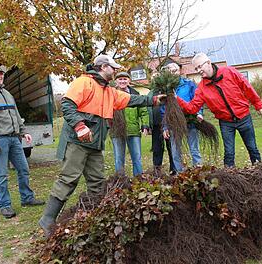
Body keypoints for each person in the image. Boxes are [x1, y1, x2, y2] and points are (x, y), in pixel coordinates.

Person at [39, 55, 166, 236]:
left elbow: (131, 100)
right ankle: (47, 219)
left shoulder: (109, 91)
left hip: (95, 143)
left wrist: (153, 100)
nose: (115, 71)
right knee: (69, 179)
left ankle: (92, 217)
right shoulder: (84, 82)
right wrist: (79, 126)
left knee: (97, 182)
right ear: (103, 67)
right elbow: (67, 105)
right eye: (112, 68)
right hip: (77, 141)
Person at [0, 65, 45, 219]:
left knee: (23, 169)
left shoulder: (7, 93)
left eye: (0, 74)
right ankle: (5, 205)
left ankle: (27, 198)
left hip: (15, 138)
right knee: (2, 174)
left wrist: (24, 131)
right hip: (0, 139)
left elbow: (16, 114)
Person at [176, 53, 262, 167]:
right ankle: (229, 177)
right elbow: (192, 108)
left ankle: (259, 171)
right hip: (226, 123)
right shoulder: (202, 88)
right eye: (196, 68)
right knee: (229, 153)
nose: (198, 70)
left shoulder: (229, 72)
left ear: (208, 62)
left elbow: (246, 87)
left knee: (252, 148)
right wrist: (176, 99)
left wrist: (258, 104)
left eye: (199, 67)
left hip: (244, 118)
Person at [161, 63, 203, 173]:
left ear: (179, 71)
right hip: (174, 124)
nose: (173, 73)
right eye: (170, 71)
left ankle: (198, 172)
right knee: (175, 151)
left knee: (194, 149)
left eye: (175, 70)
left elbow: (198, 100)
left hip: (190, 121)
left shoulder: (189, 84)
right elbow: (163, 109)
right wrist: (165, 127)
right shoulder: (165, 89)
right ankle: (180, 174)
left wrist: (199, 113)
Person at [110, 72, 149, 176]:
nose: (122, 81)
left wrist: (145, 125)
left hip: (133, 131)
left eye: (125, 79)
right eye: (120, 79)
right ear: (116, 81)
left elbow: (143, 111)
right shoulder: (111, 95)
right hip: (117, 131)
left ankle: (138, 179)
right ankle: (121, 180)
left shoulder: (135, 94)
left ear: (129, 81)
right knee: (119, 158)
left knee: (137, 157)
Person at [147, 88, 176, 176]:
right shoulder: (151, 93)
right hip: (156, 125)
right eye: (154, 75)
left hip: (169, 124)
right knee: (157, 148)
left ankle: (174, 169)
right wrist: (148, 124)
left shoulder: (167, 91)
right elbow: (147, 109)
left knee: (171, 147)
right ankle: (157, 169)